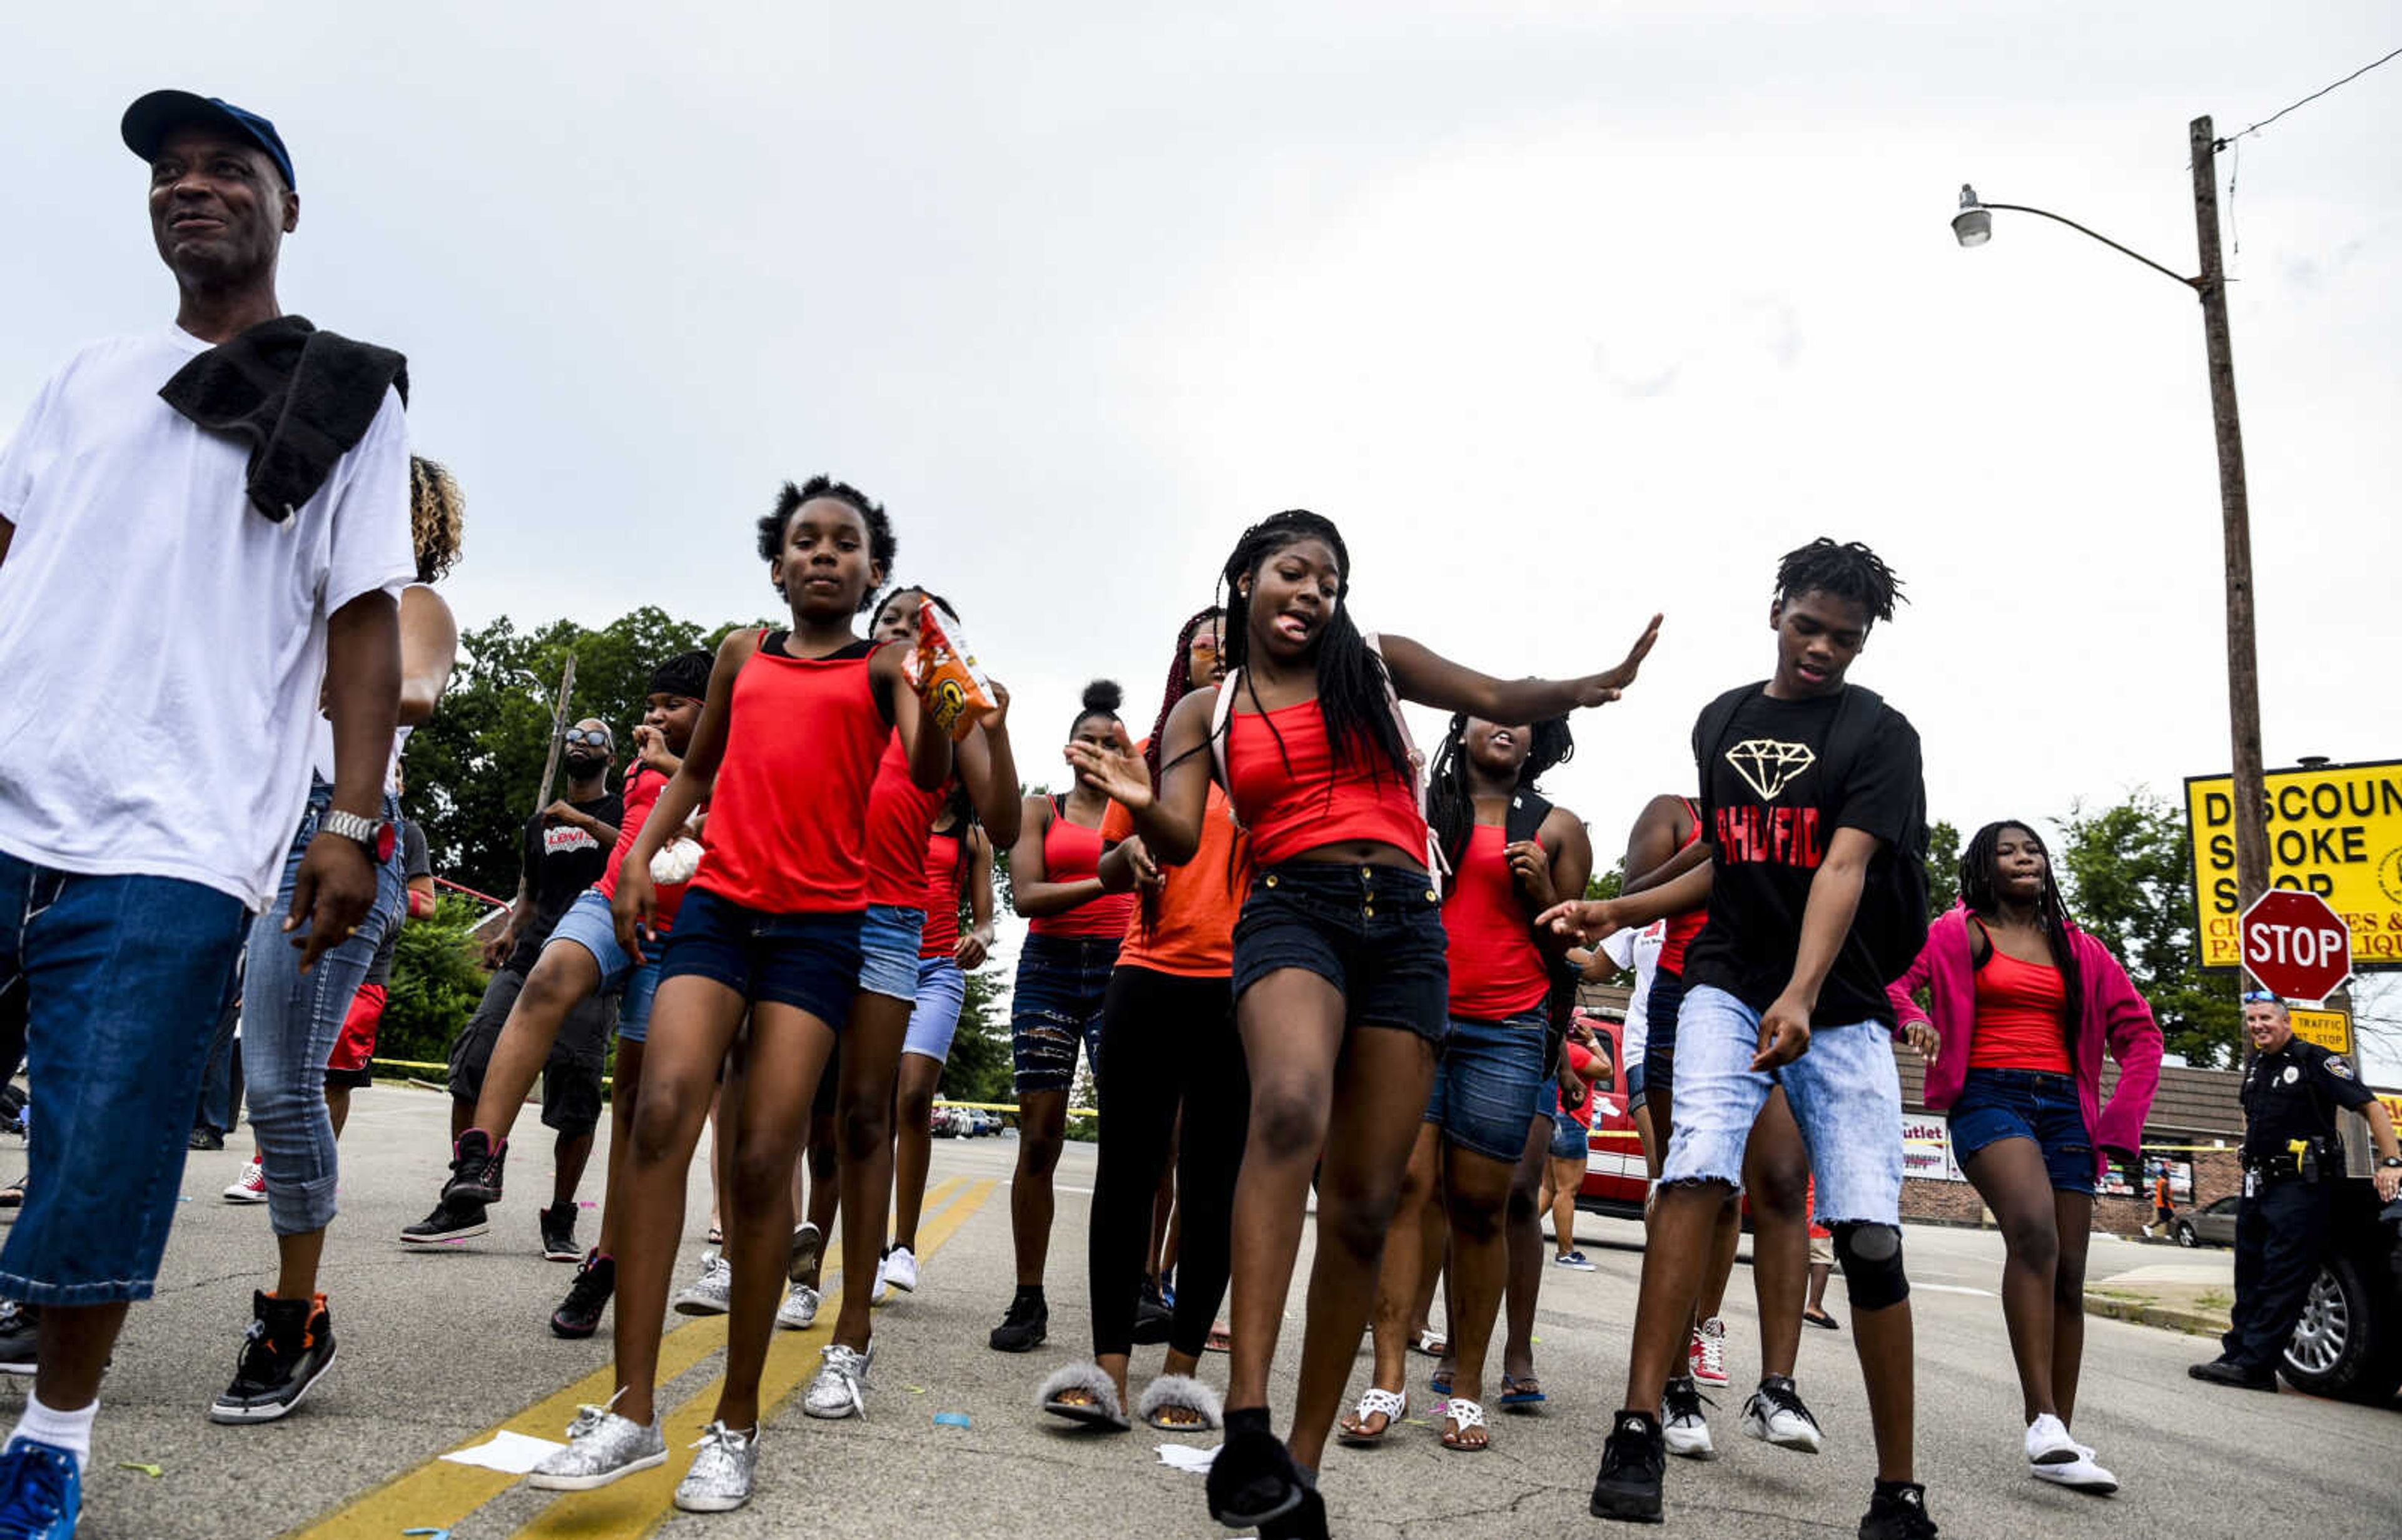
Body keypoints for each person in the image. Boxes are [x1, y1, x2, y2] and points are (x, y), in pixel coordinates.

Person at [1068, 509, 1658, 1538]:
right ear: (1246, 578)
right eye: (1292, 572)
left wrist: (1583, 686)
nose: (1311, 592)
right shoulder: (1205, 711)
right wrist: (1133, 797)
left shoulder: (1375, 670)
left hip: (1408, 934)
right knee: (1289, 1108)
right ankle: (1246, 1413)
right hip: (1293, 911)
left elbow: (1494, 696)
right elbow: (1175, 828)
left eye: (1329, 580)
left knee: (1364, 1202)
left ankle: (1295, 1474)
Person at [0, 88, 410, 1529]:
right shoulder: (81, 375)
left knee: (102, 1150)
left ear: (286, 207)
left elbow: (364, 616)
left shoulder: (344, 393)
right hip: (5, 798)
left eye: (227, 170)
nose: (191, 188)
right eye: (168, 174)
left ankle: (53, 1433)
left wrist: (352, 820)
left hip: (172, 842)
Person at [525, 477, 950, 1514]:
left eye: (845, 544)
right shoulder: (739, 653)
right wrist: (635, 860)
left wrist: (947, 700)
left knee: (763, 1159)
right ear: (776, 563)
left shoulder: (890, 664)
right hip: (717, 906)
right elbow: (697, 767)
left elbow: (929, 768)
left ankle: (736, 1420)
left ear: (872, 571)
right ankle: (631, 1411)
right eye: (804, 540)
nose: (823, 555)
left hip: (819, 929)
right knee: (661, 1108)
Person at [1547, 537, 1935, 1538]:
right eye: (1808, 627)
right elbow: (1728, 851)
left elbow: (1843, 869)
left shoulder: (1879, 733)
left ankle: (1898, 1492)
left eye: (1843, 638)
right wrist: (1617, 911)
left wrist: (1804, 993)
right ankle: (1636, 1428)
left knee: (1869, 1233)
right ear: (1777, 611)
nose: (1821, 649)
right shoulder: (1723, 718)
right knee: (1695, 1170)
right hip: (1723, 981)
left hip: (1839, 1001)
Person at [212, 453, 462, 1425]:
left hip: (338, 826)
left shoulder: (411, 601)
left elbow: (419, 689)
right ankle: (66, 1276)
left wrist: (336, 678)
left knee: (281, 1083)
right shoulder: (272, 588)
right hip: (228, 820)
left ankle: (293, 1314)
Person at [1339, 716, 1589, 1453]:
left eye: (1518, 715)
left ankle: (1468, 1386)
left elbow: (1569, 951)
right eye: (1488, 710)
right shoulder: (1418, 799)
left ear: (1536, 736)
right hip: (1414, 1017)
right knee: (1408, 1192)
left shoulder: (1560, 827)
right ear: (1463, 725)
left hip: (1508, 1031)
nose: (1502, 724)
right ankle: (1388, 1378)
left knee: (1482, 1205)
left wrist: (1544, 889)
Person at [1888, 819, 2161, 1493]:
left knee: (2070, 1274)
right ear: (1983, 865)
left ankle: (2059, 1437)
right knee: (2033, 1231)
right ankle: (2040, 1417)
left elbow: (2141, 1035)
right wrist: (1914, 1019)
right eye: (2007, 850)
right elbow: (1893, 983)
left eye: (2032, 848)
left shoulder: (2082, 949)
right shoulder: (1959, 931)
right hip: (1988, 1094)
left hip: (2068, 1106)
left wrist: (2121, 1120)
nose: (2023, 857)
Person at [804, 587, 1016, 1416]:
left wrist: (993, 728)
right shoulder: (822, 681)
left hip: (894, 931)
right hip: (801, 911)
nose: (901, 632)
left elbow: (1000, 820)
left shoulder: (946, 708)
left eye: (918, 626)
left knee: (872, 1111)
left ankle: (852, 1323)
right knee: (784, 1116)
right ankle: (782, 1262)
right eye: (891, 618)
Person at [1036, 608, 1249, 1434]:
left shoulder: (1280, 765)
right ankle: (1109, 1369)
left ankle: (1183, 1375)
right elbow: (1110, 858)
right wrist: (1127, 859)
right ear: (1183, 660)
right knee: (1125, 1174)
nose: (1220, 649)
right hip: (1147, 975)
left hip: (1240, 991)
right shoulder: (1155, 757)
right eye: (1205, 638)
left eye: (1233, 637)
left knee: (1210, 1182)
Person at [414, 719, 623, 1245]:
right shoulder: (539, 825)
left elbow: (634, 853)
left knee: (575, 1096)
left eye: (595, 738)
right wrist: (509, 931)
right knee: (472, 1061)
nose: (582, 742)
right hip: (528, 958)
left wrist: (581, 819)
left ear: (611, 758)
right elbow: (529, 894)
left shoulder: (619, 811)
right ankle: (470, 1185)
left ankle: (561, 1214)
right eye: (575, 734)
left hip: (588, 965)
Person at [989, 682, 1138, 1353]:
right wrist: (1107, 878)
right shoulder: (1039, 809)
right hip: (1049, 971)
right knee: (1040, 1136)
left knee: (1134, 1139)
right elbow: (1026, 896)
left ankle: (1137, 1290)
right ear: (1071, 749)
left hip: (1122, 969)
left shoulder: (1142, 813)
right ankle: (1029, 1297)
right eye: (1094, 742)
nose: (1105, 751)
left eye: (1117, 742)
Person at [2189, 993, 2401, 1391]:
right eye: (2252, 1019)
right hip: (2259, 1184)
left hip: (2300, 1187)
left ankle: (2256, 1366)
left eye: (2266, 1018)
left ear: (2286, 1022)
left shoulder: (2315, 1060)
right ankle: (2236, 1354)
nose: (2258, 1026)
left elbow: (2371, 1107)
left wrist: (2391, 1162)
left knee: (2281, 1276)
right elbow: (2253, 1114)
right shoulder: (2255, 1068)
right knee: (2249, 1274)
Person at [323, 789, 436, 1137]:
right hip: (309, 956)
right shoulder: (323, 818)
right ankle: (264, 1166)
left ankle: (319, 1172)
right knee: (287, 1069)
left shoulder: (410, 833)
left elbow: (428, 906)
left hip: (365, 972)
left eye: (398, 773)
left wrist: (379, 888)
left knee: (336, 1080)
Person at [1544, 1016, 1609, 1270]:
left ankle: (1508, 1229)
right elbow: (1607, 1070)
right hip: (1572, 1122)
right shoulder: (1576, 1053)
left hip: (1554, 1119)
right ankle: (1566, 1252)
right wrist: (1592, 1040)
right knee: (1567, 1190)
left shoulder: (1558, 1049)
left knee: (1548, 1189)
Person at [2150, 1170, 2175, 1237]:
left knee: (2167, 1218)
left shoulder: (2159, 1182)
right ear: (2165, 1175)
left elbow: (2161, 1193)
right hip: (2164, 1203)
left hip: (2160, 1203)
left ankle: (2169, 1233)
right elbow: (2165, 1194)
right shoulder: (2164, 1182)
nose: (2169, 1176)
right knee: (2169, 1218)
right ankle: (2150, 1227)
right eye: (2168, 1174)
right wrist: (2172, 1201)